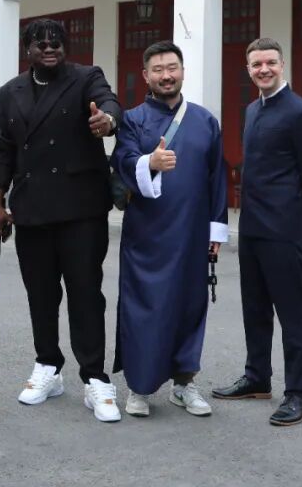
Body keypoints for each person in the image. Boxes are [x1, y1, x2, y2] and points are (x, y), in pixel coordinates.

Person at [0, 19, 124, 422]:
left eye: (56, 43)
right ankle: (48, 366)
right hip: (32, 209)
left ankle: (95, 377)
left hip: (81, 208)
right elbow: (6, 147)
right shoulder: (10, 91)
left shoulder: (86, 78)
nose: (49, 49)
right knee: (41, 295)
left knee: (85, 294)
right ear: (27, 50)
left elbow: (110, 104)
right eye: (41, 44)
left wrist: (107, 121)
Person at [212, 37, 302, 428]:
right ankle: (257, 377)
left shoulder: (300, 112)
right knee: (255, 306)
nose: (264, 69)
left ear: (282, 65)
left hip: (283, 228)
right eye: (257, 64)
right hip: (252, 225)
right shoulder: (251, 110)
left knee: (292, 312)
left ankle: (299, 394)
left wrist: (300, 220)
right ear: (248, 69)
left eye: (270, 63)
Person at [110, 41, 227, 419]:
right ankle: (139, 387)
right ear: (146, 76)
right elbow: (123, 160)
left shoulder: (205, 121)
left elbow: (217, 178)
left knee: (189, 306)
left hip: (192, 232)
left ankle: (184, 383)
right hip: (147, 235)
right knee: (144, 308)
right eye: (158, 69)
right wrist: (150, 162)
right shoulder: (133, 119)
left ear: (182, 71)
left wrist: (216, 232)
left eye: (172, 68)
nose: (166, 75)